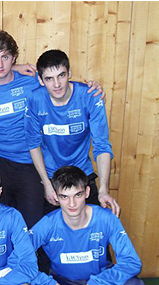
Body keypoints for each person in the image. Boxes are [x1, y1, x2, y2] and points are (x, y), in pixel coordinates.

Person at [0, 31, 105, 229]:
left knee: (33, 226)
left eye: (5, 57)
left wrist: (92, 88)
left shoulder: (32, 81)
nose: (0, 64)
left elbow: (59, 80)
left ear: (14, 57)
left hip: (29, 163)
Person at [25, 49, 120, 216]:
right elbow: (33, 144)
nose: (56, 84)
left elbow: (102, 145)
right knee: (48, 236)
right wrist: (46, 184)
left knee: (94, 234)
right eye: (49, 78)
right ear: (40, 80)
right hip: (51, 176)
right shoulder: (34, 99)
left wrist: (103, 190)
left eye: (61, 75)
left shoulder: (91, 96)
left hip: (82, 173)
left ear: (70, 73)